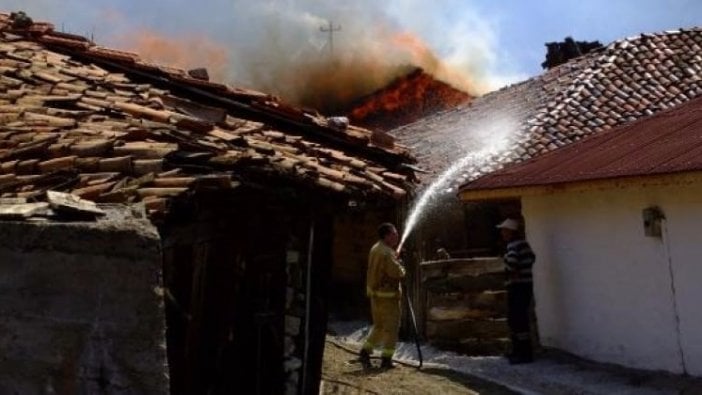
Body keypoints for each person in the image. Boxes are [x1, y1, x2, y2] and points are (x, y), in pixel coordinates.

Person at [359, 223, 406, 369]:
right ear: (386, 235)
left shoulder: (376, 248)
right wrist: (402, 266)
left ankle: (365, 352)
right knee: (391, 328)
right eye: (394, 234)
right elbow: (396, 273)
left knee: (379, 326)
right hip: (388, 297)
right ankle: (386, 359)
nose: (397, 236)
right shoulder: (387, 252)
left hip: (376, 296)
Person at [497, 218, 535, 364]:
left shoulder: (514, 246)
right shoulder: (523, 245)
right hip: (525, 285)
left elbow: (511, 265)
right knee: (519, 318)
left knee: (517, 319)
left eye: (504, 230)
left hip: (518, 286)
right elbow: (532, 258)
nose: (502, 233)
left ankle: (522, 353)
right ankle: (521, 352)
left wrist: (504, 268)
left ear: (510, 232)